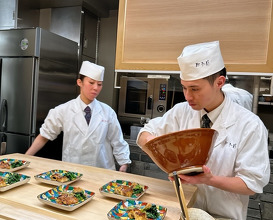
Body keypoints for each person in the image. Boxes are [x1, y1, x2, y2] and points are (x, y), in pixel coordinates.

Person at [137, 41, 270, 219]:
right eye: (184, 87)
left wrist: (209, 180)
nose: (188, 96)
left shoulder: (250, 125)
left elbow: (252, 184)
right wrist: (166, 160)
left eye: (195, 89)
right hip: (184, 212)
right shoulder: (181, 112)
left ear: (219, 82)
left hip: (224, 216)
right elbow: (145, 133)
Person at [26, 61, 131, 172]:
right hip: (72, 172)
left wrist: (124, 163)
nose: (96, 88)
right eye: (91, 83)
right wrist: (25, 159)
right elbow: (44, 136)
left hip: (101, 171)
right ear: (79, 82)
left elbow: (117, 141)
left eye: (99, 84)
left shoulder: (108, 112)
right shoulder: (63, 110)